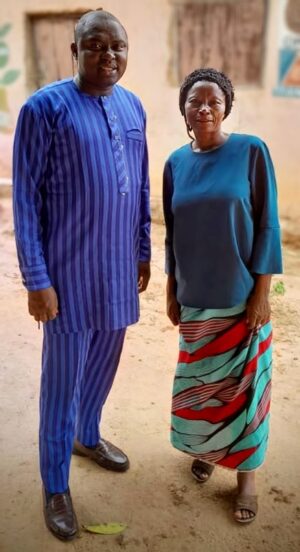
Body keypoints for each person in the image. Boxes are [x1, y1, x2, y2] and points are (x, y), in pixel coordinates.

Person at [13, 9, 151, 541]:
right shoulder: (43, 109)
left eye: (117, 46)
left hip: (118, 269)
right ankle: (54, 483)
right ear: (74, 51)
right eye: (95, 46)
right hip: (67, 275)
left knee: (104, 364)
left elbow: (139, 186)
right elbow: (25, 199)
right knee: (61, 381)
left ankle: (87, 435)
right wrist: (36, 279)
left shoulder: (133, 105)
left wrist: (142, 250)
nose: (108, 55)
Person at [163, 68, 282, 524]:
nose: (205, 108)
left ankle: (247, 477)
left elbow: (268, 223)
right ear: (185, 110)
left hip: (241, 297)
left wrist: (262, 291)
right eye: (196, 101)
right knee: (204, 390)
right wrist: (173, 290)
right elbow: (173, 234)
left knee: (246, 392)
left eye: (214, 100)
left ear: (226, 105)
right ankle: (211, 451)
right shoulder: (176, 162)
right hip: (196, 300)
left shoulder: (250, 151)